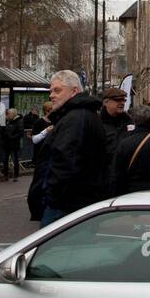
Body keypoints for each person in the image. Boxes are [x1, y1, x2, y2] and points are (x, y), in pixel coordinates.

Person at [38, 70, 108, 226]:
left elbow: (65, 161)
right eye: (51, 91)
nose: (51, 95)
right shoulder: (82, 115)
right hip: (76, 202)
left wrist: (51, 196)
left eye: (57, 90)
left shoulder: (76, 118)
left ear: (74, 91)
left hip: (66, 205)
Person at [99, 86, 132, 161]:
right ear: (105, 102)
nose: (122, 103)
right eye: (118, 100)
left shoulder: (130, 122)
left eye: (124, 100)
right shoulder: (97, 123)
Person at [0, 109, 24, 180]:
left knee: (15, 159)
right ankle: (5, 175)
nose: (7, 115)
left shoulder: (19, 121)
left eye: (8, 114)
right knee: (5, 160)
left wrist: (12, 137)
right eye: (7, 114)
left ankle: (15, 175)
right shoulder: (5, 120)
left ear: (12, 114)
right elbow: (0, 129)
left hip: (14, 144)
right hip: (6, 143)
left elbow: (21, 132)